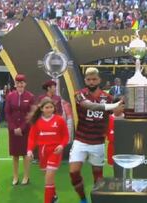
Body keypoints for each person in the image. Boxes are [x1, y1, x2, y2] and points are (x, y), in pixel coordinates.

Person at [69, 67, 123, 203]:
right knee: (74, 172)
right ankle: (83, 200)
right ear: (85, 81)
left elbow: (118, 112)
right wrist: (113, 105)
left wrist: (122, 105)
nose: (91, 82)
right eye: (88, 79)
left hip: (98, 143)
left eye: (94, 79)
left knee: (98, 177)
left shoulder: (108, 98)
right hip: (81, 140)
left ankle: (96, 200)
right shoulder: (79, 94)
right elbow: (90, 106)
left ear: (99, 80)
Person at [27, 98, 69, 203]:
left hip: (55, 151)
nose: (49, 109)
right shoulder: (37, 122)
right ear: (41, 109)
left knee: (48, 180)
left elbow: (66, 136)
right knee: (48, 178)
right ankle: (54, 197)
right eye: (47, 107)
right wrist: (29, 150)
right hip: (42, 152)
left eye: (51, 107)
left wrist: (61, 145)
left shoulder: (59, 120)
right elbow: (32, 138)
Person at [5, 74, 35, 185]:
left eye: (22, 82)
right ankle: (15, 177)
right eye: (18, 82)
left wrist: (21, 128)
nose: (20, 84)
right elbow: (7, 113)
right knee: (15, 154)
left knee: (26, 154)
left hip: (26, 129)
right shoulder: (10, 96)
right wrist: (14, 128)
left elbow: (30, 114)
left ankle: (26, 177)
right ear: (15, 84)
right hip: (13, 130)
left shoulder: (30, 96)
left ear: (25, 84)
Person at [106, 98, 125, 166]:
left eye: (123, 106)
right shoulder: (108, 119)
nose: (123, 107)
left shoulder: (127, 119)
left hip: (125, 148)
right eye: (121, 105)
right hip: (112, 149)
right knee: (114, 169)